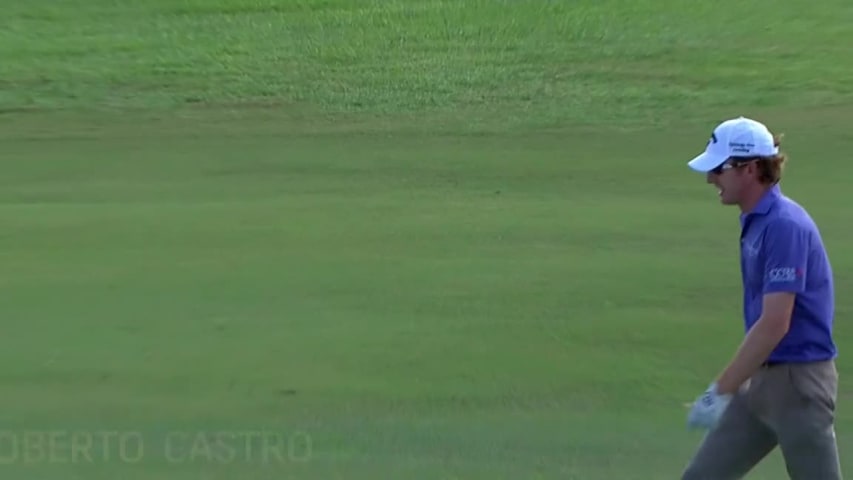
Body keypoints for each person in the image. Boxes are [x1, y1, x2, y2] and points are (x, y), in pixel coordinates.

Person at [680, 116, 842, 479]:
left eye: (719, 170)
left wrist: (718, 392)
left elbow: (774, 324)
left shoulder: (785, 226)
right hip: (761, 383)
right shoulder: (757, 221)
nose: (711, 178)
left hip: (800, 386)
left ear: (750, 169)